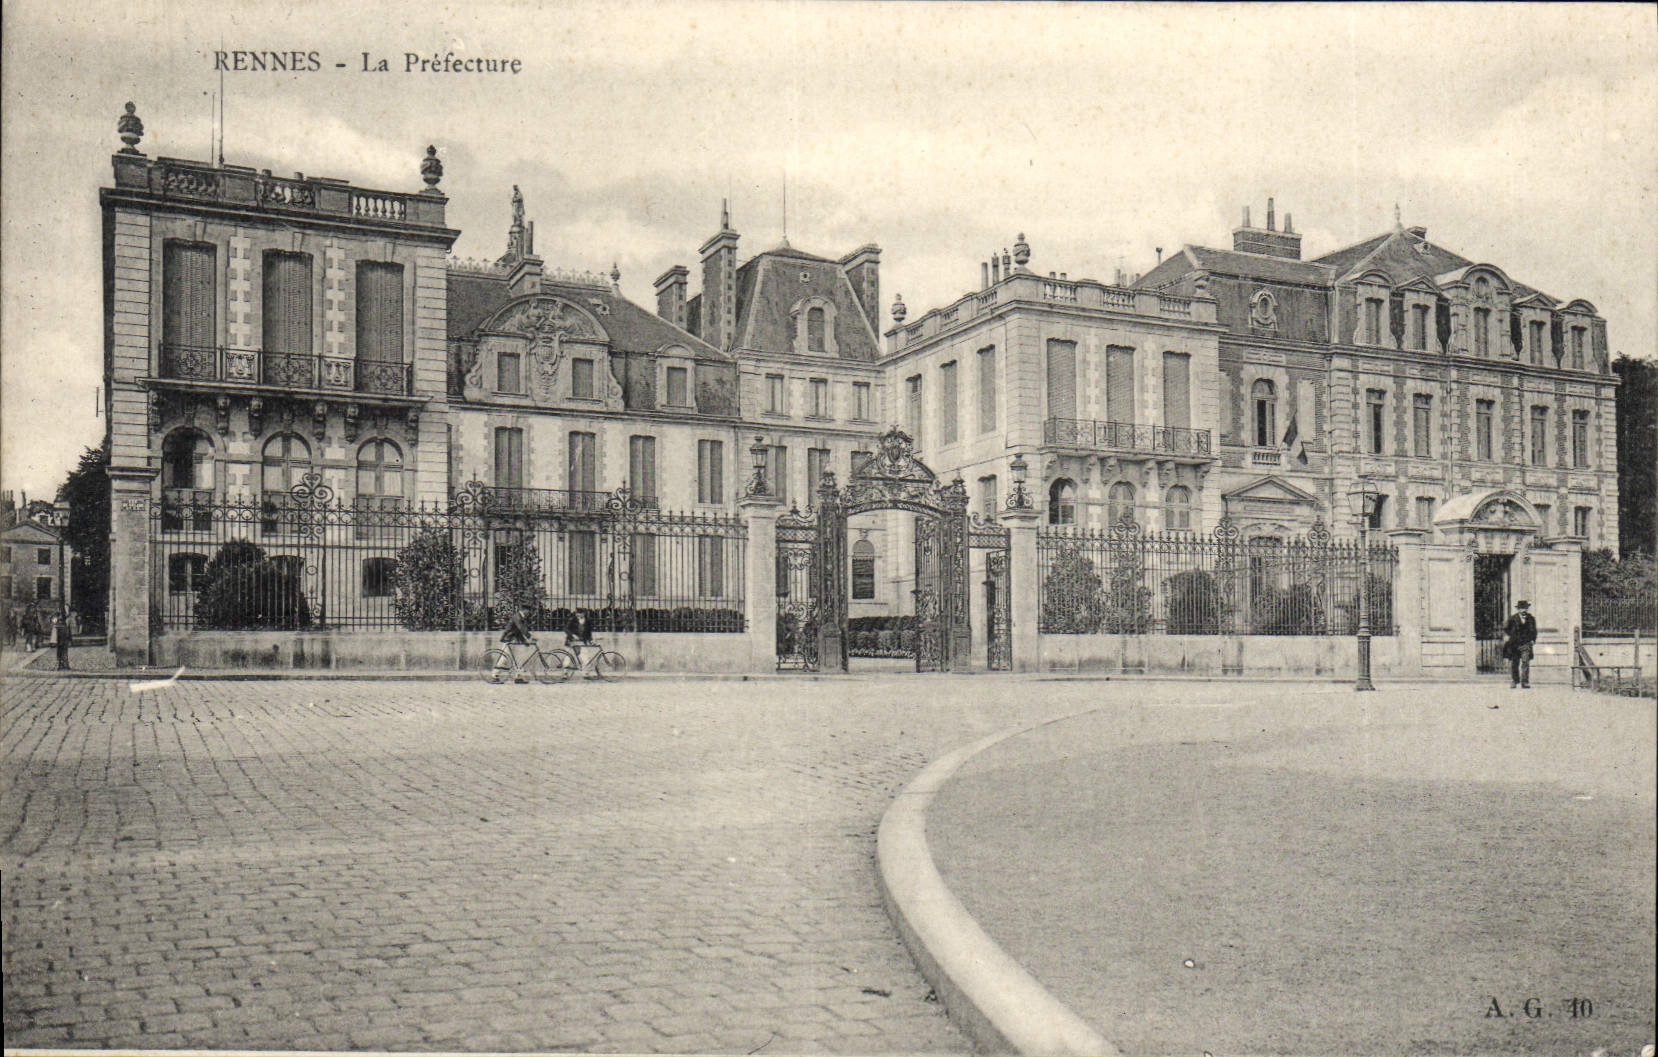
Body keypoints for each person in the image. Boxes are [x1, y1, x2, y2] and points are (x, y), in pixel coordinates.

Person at [494, 605, 537, 683]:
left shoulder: (521, 617)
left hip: (513, 640)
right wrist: (529, 637)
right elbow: (521, 628)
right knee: (504, 658)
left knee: (516, 660)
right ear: (524, 610)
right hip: (508, 639)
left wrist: (525, 641)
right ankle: (495, 676)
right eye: (528, 611)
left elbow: (519, 632)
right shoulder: (517, 617)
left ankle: (518, 677)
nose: (529, 613)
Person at [1501, 599, 1537, 689]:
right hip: (1514, 644)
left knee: (1525, 662)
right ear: (1518, 609)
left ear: (1527, 609)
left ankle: (1525, 682)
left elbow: (1534, 631)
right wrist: (1511, 636)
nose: (1523, 610)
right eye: (1521, 608)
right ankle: (1515, 681)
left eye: (1525, 608)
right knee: (1514, 663)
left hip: (1526, 644)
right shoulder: (1512, 619)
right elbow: (1506, 628)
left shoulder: (1531, 619)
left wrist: (1533, 640)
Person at [565, 607, 596, 676]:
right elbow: (566, 629)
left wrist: (591, 640)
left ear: (584, 614)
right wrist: (573, 635)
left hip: (582, 641)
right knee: (569, 656)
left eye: (580, 613)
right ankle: (565, 673)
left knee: (585, 656)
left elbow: (588, 632)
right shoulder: (573, 620)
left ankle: (586, 673)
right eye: (577, 613)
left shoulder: (587, 621)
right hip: (572, 641)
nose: (578, 615)